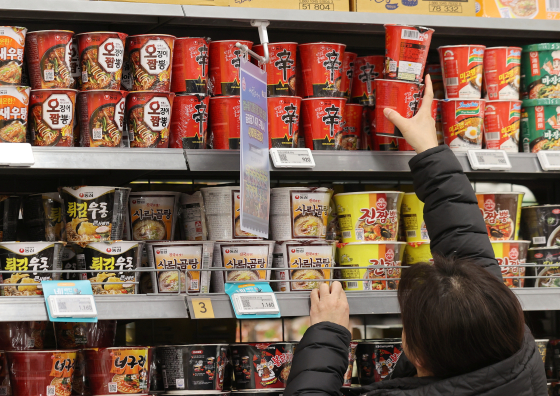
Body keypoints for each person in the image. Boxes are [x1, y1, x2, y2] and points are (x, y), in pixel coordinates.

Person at [284, 75, 547, 396]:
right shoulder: (519, 356)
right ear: (504, 316)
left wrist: (327, 333)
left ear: (418, 355)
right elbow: (469, 246)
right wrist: (430, 149)